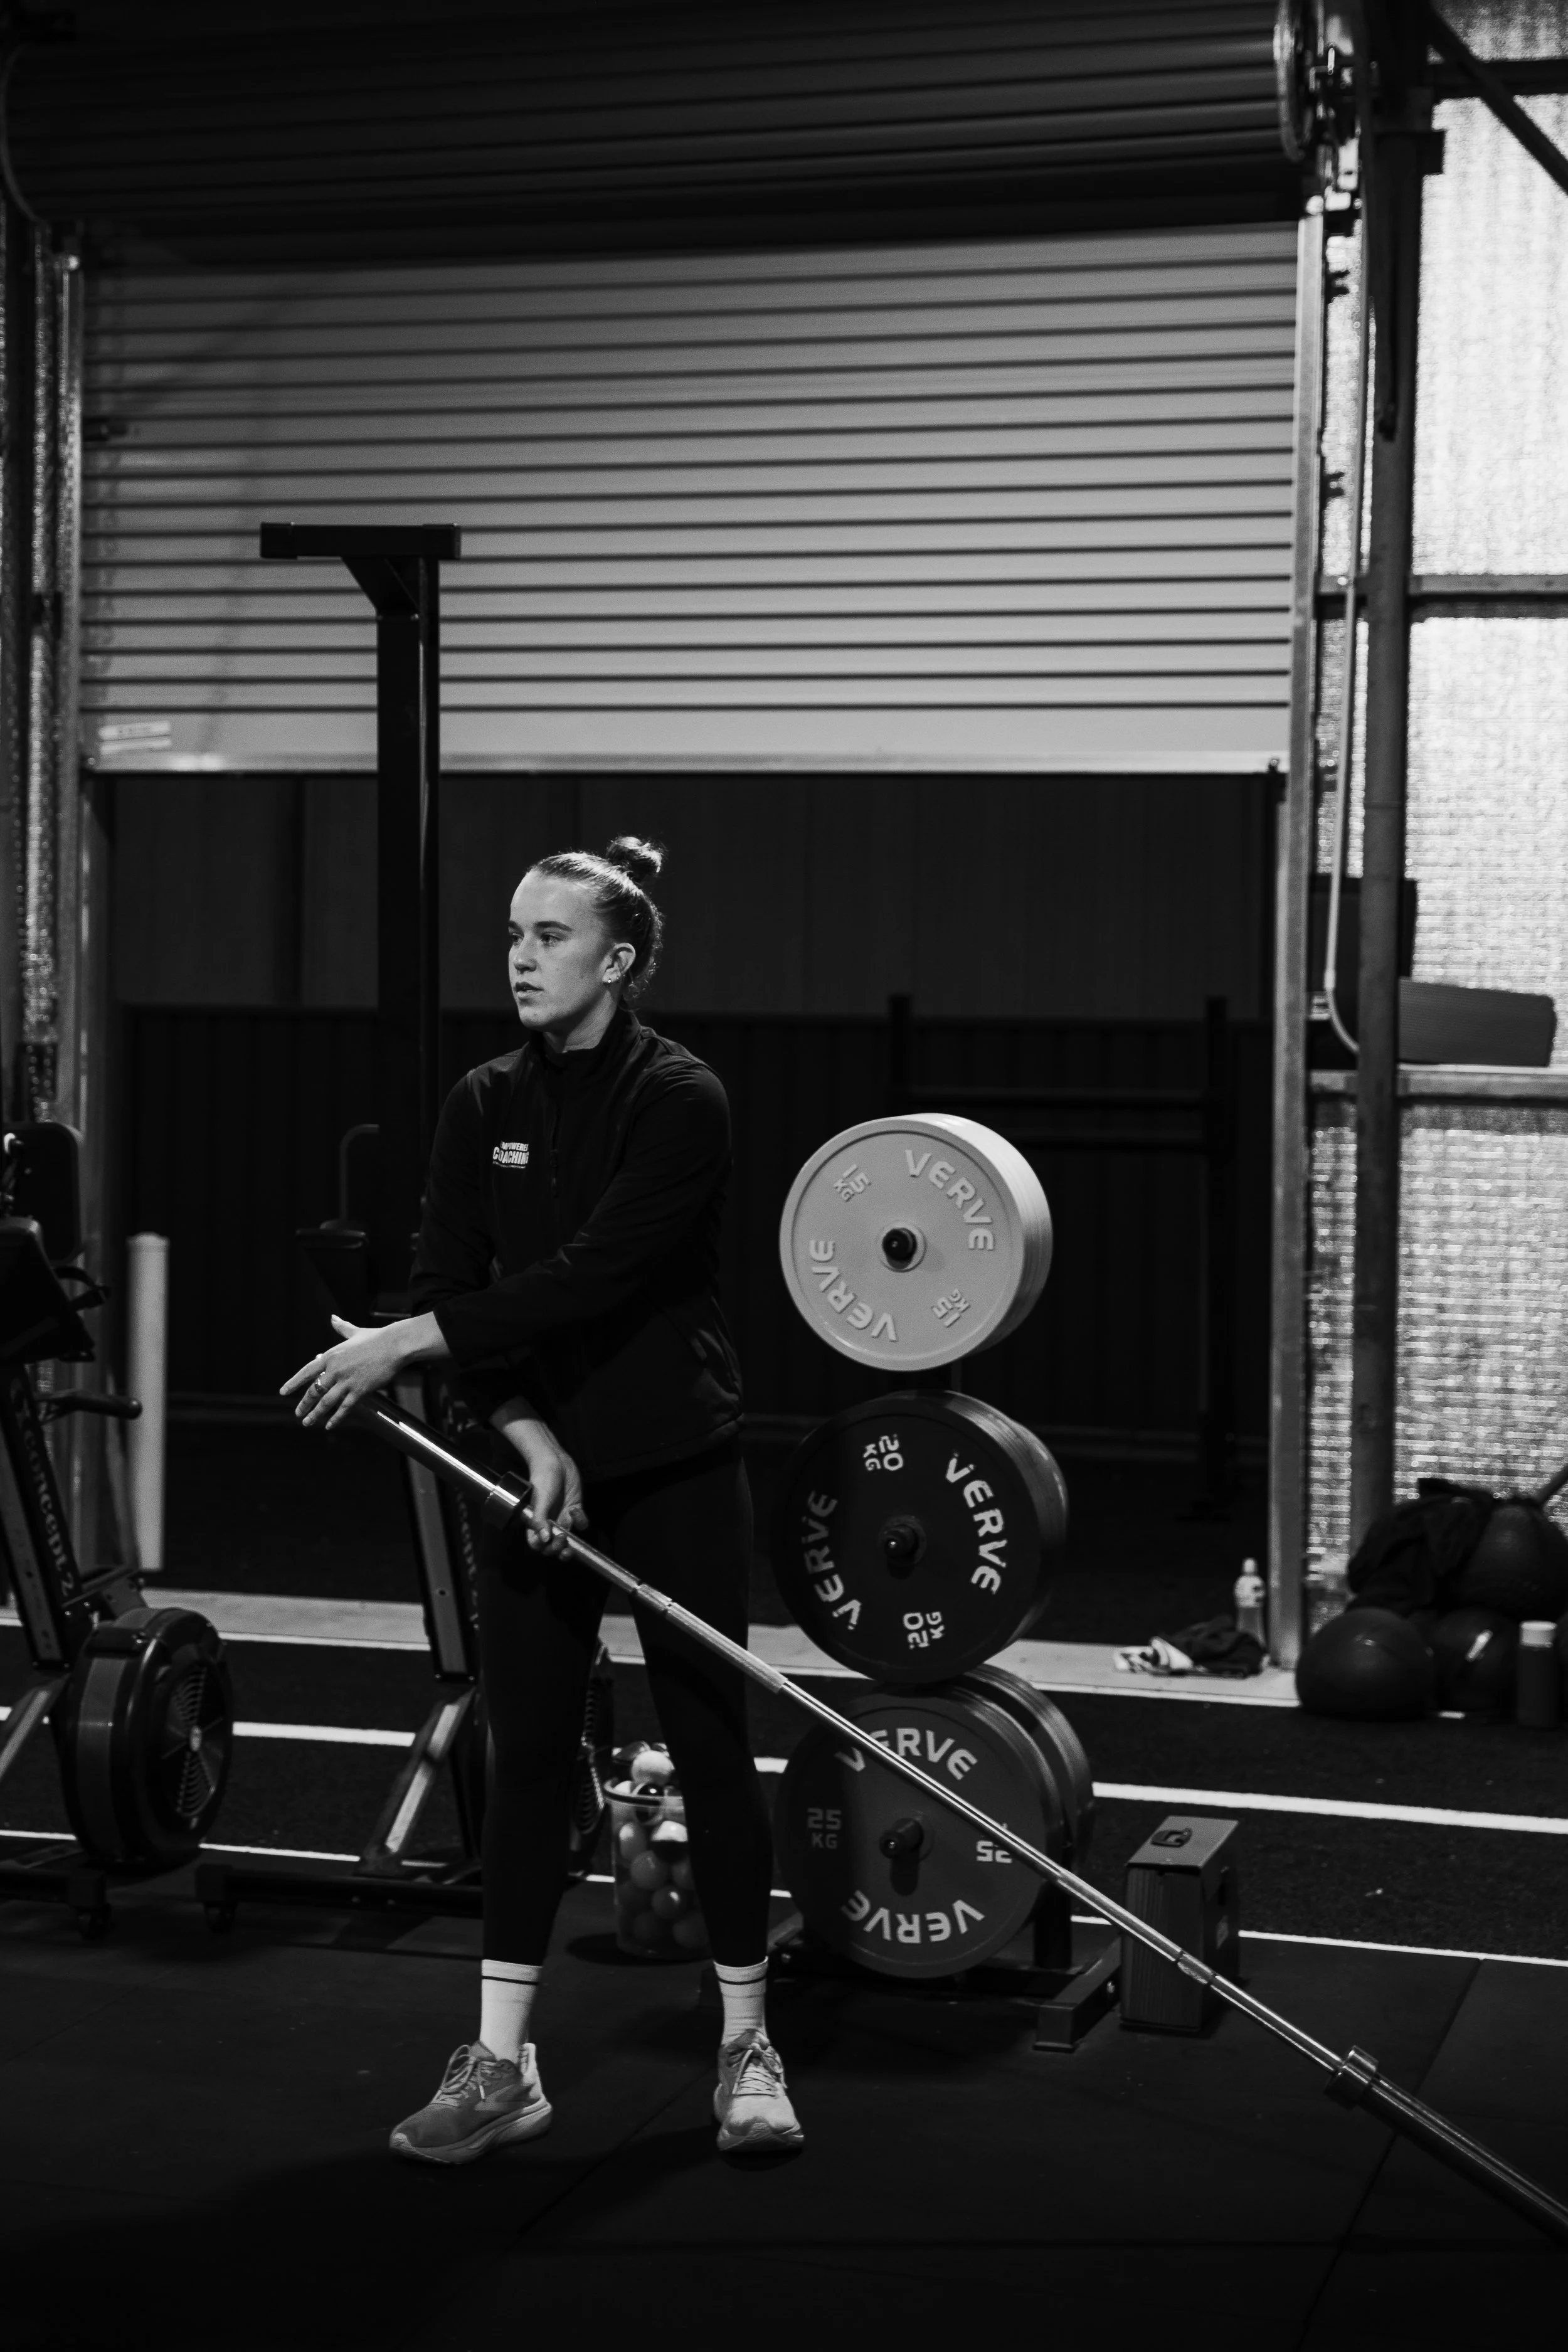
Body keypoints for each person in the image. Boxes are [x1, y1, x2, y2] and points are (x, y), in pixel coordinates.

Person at [281, 836, 801, 2164]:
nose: (519, 956)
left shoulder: (682, 1099)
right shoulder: (480, 1100)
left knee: (703, 1744)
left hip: (672, 1456)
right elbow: (449, 1271)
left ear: (616, 961)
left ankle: (745, 2043)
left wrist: (405, 1348)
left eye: (550, 936)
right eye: (513, 932)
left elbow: (589, 1276)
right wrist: (520, 1432)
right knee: (522, 1759)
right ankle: (500, 2065)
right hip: (537, 1465)